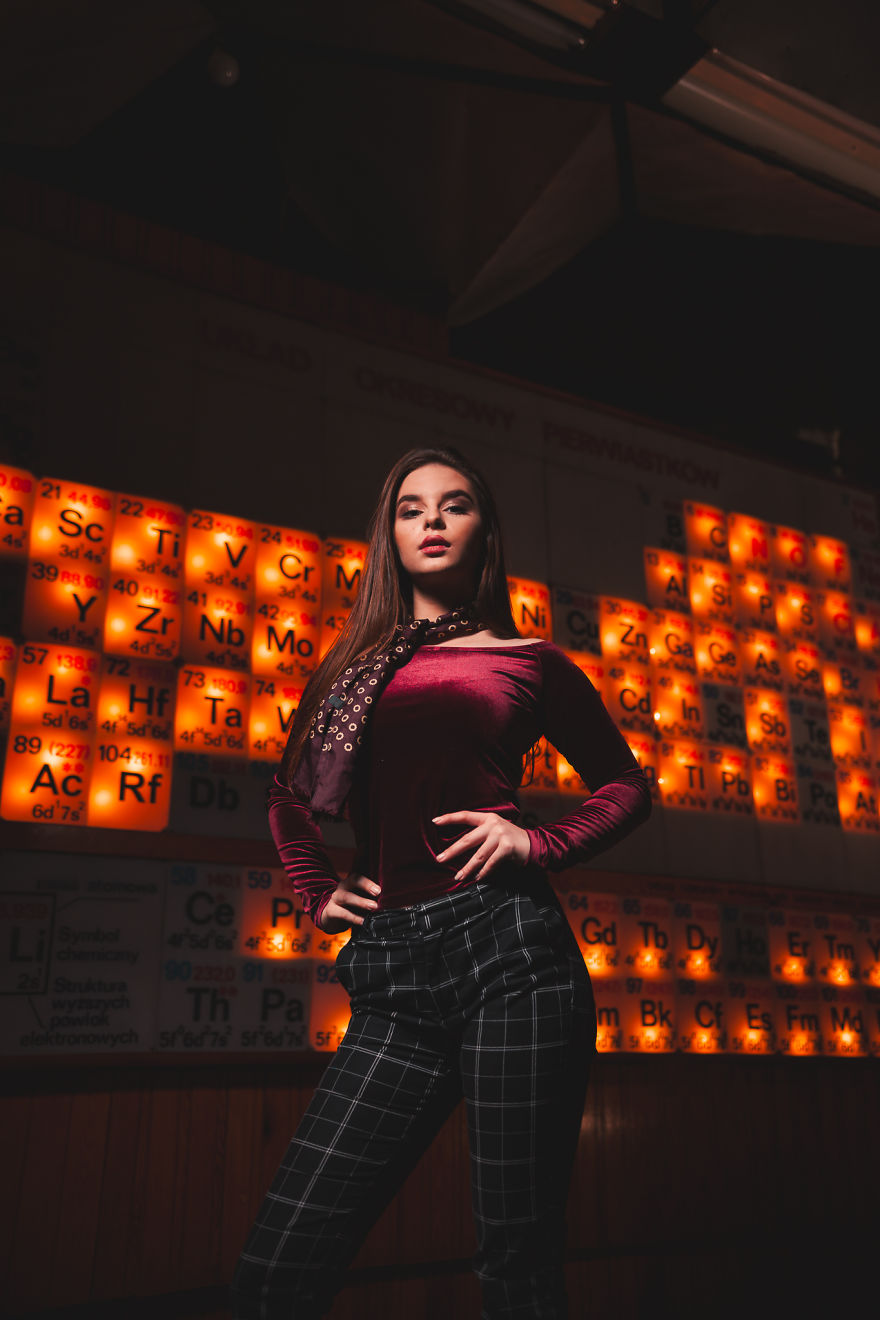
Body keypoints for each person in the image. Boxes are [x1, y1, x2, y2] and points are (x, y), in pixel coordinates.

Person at [231, 446, 651, 1319]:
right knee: (280, 1265)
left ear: (483, 531)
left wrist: (539, 843)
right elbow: (288, 794)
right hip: (393, 974)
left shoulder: (529, 659)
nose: (431, 519)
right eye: (411, 507)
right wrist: (315, 889)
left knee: (515, 1267)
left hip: (512, 958)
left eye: (454, 505)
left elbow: (627, 786)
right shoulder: (350, 670)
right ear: (389, 533)